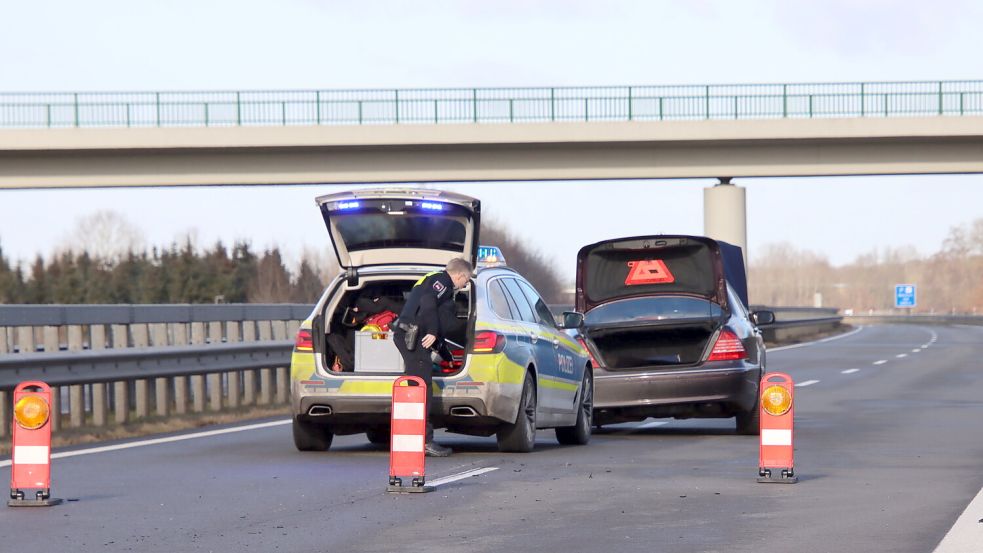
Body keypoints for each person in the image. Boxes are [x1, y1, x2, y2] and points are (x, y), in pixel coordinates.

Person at [393, 257, 473, 457]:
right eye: (467, 280)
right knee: (421, 387)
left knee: (417, 385)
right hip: (413, 335)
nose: (466, 284)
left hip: (410, 334)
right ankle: (425, 441)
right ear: (460, 275)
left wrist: (444, 350)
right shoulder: (443, 282)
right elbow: (428, 301)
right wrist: (433, 331)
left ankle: (413, 437)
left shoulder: (432, 279)